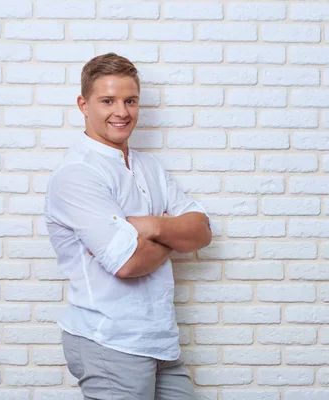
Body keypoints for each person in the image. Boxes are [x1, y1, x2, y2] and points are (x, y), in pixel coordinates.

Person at [44, 52, 212, 399]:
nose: (121, 112)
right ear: (83, 104)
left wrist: (149, 227)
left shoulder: (149, 166)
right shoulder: (78, 173)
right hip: (110, 341)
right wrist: (171, 230)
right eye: (108, 100)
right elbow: (128, 263)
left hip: (160, 339)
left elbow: (201, 232)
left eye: (130, 101)